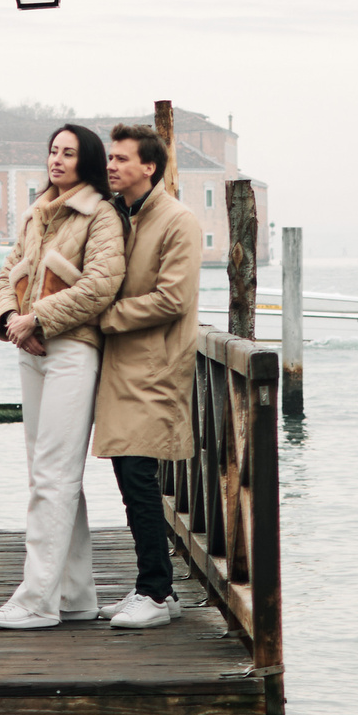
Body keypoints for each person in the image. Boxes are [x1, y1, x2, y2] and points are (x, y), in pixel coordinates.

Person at [0, 123, 125, 630]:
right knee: (48, 474)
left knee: (53, 475)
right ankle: (76, 594)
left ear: (86, 161)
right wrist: (11, 322)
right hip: (30, 349)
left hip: (72, 351)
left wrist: (38, 319)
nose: (57, 160)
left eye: (68, 153)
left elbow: (101, 285)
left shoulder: (102, 216)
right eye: (52, 151)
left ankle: (37, 600)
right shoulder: (35, 213)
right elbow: (9, 272)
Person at [91, 122, 200, 630]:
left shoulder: (177, 221)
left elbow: (173, 298)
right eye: (110, 158)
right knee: (130, 478)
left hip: (155, 367)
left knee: (138, 477)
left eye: (121, 159)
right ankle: (156, 588)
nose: (111, 165)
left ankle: (154, 593)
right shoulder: (122, 216)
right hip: (124, 368)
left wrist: (105, 317)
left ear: (149, 166)